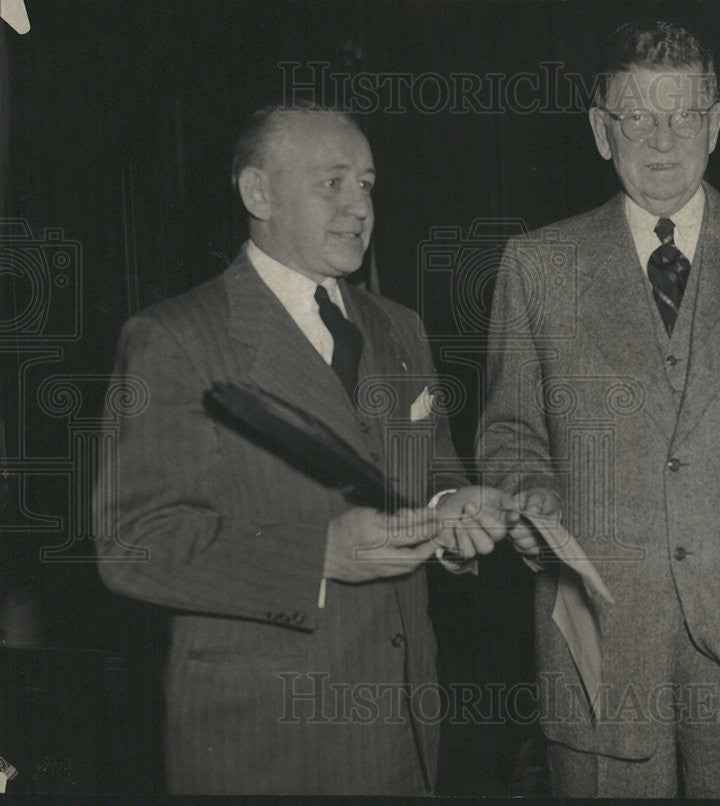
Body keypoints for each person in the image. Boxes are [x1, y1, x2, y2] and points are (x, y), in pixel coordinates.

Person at [478, 21, 720, 798]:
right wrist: (531, 498)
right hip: (599, 637)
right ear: (601, 131)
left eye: (684, 114)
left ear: (715, 125)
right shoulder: (537, 265)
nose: (662, 139)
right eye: (637, 117)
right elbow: (508, 431)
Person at [94, 104, 514, 795]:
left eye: (369, 184)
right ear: (258, 194)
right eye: (333, 183)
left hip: (405, 729)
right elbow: (134, 544)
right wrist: (319, 556)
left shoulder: (400, 328)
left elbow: (432, 467)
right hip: (264, 742)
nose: (360, 207)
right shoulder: (175, 337)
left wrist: (450, 508)